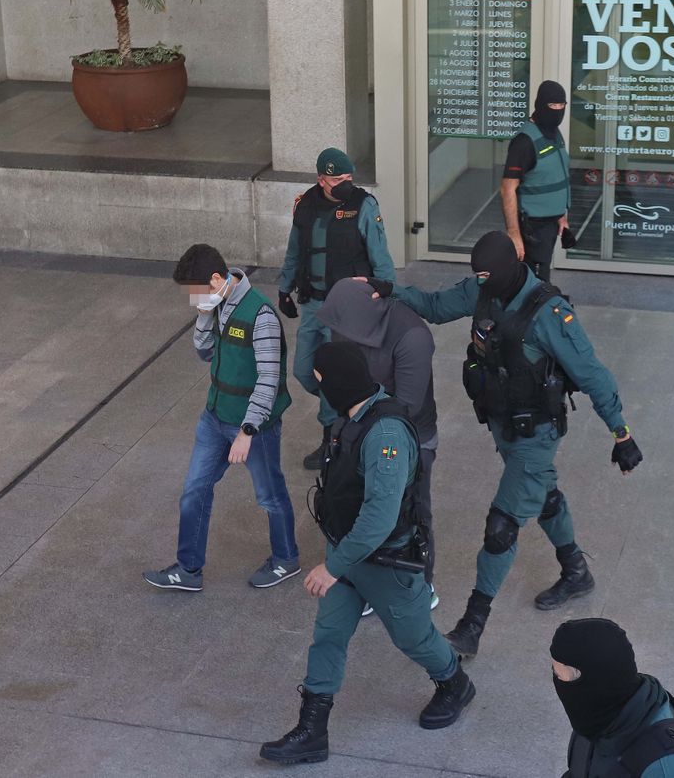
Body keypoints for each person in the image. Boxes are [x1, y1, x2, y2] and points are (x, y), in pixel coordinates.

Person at [372, 230, 642, 657]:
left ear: (506, 269)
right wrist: (392, 291)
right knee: (543, 493)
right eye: (477, 276)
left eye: (486, 276)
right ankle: (576, 571)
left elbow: (594, 375)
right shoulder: (482, 290)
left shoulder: (549, 312)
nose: (481, 283)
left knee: (502, 526)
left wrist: (621, 434)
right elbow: (438, 307)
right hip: (504, 425)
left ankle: (472, 626)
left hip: (537, 432)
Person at [259, 343, 475, 765]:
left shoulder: (386, 433)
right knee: (329, 635)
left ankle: (454, 682)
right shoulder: (352, 418)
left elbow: (379, 518)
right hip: (347, 555)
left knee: (413, 638)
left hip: (384, 564)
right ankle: (312, 731)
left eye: (320, 382)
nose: (319, 391)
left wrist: (332, 567)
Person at [143, 244, 300, 592]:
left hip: (252, 425)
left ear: (216, 279)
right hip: (214, 418)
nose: (192, 300)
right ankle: (188, 569)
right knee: (194, 491)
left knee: (269, 495)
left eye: (195, 294)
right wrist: (202, 315)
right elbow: (204, 353)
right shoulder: (216, 306)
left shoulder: (260, 316)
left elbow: (269, 379)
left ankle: (286, 558)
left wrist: (247, 431)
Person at [316, 277, 442, 603]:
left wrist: (354, 398)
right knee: (356, 501)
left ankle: (420, 583)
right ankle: (364, 575)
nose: (336, 334)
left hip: (410, 435)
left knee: (412, 511)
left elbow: (408, 405)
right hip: (357, 425)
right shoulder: (349, 324)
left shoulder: (412, 337)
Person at [279, 147, 396, 470]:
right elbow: (293, 251)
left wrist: (387, 291)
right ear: (321, 179)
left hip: (346, 307)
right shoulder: (305, 206)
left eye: (349, 178)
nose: (345, 184)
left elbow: (380, 256)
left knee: (333, 370)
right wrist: (283, 288)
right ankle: (350, 409)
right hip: (313, 303)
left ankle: (333, 436)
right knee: (304, 371)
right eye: (337, 179)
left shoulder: (364, 206)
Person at [550, 618, 674, 777]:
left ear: (591, 681)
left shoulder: (669, 770)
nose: (556, 680)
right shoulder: (597, 713)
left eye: (558, 675)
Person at [501, 81, 572, 281]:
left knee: (541, 280)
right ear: (540, 105)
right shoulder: (523, 142)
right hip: (532, 227)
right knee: (535, 283)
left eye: (562, 106)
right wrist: (514, 234)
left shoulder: (554, 134)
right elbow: (508, 189)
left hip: (549, 224)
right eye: (553, 106)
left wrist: (561, 215)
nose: (558, 111)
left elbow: (554, 175)